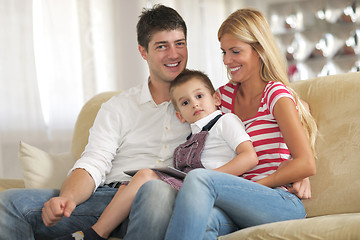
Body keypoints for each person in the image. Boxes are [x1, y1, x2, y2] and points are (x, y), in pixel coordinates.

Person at [0, 4, 192, 240]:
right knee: (8, 203)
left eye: (179, 43)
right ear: (143, 52)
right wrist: (67, 198)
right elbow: (94, 161)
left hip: (164, 201)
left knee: (156, 192)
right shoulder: (118, 106)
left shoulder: (205, 103)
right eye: (162, 46)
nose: (174, 54)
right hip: (107, 198)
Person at [164, 8, 318, 240]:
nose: (227, 60)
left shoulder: (275, 94)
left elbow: (307, 163)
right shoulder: (222, 97)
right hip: (238, 202)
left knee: (200, 179)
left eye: (235, 51)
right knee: (204, 221)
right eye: (224, 52)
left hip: (279, 201)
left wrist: (262, 183)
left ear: (259, 50)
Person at [56, 69, 258, 240]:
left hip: (215, 188)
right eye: (185, 103)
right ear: (180, 115)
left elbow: (249, 157)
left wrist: (205, 180)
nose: (195, 104)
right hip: (193, 189)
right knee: (139, 178)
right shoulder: (192, 136)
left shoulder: (226, 121)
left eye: (199, 96)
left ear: (216, 98)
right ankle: (97, 231)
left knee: (145, 175)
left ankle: (95, 234)